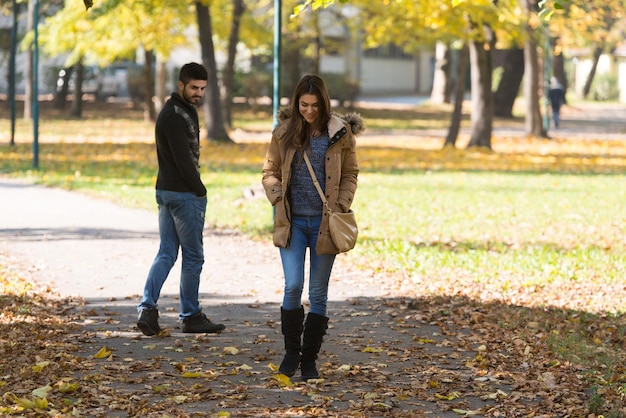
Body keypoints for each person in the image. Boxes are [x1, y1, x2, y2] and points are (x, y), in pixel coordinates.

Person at [262, 74, 363, 381]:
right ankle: (291, 353)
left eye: (314, 105)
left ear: (324, 103)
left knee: (318, 293)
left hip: (324, 225)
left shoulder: (340, 133)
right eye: (303, 105)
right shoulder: (284, 132)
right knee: (293, 286)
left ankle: (309, 360)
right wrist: (277, 198)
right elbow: (269, 171)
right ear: (297, 103)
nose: (309, 111)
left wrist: (342, 205)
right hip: (292, 223)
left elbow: (351, 173)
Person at [136, 62, 225, 336]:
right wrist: (199, 189)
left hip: (167, 192)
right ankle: (190, 315)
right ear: (181, 85)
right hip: (182, 194)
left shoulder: (181, 110)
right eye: (194, 87)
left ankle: (147, 309)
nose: (198, 93)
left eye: (202, 89)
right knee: (193, 257)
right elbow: (182, 159)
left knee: (166, 252)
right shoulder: (174, 114)